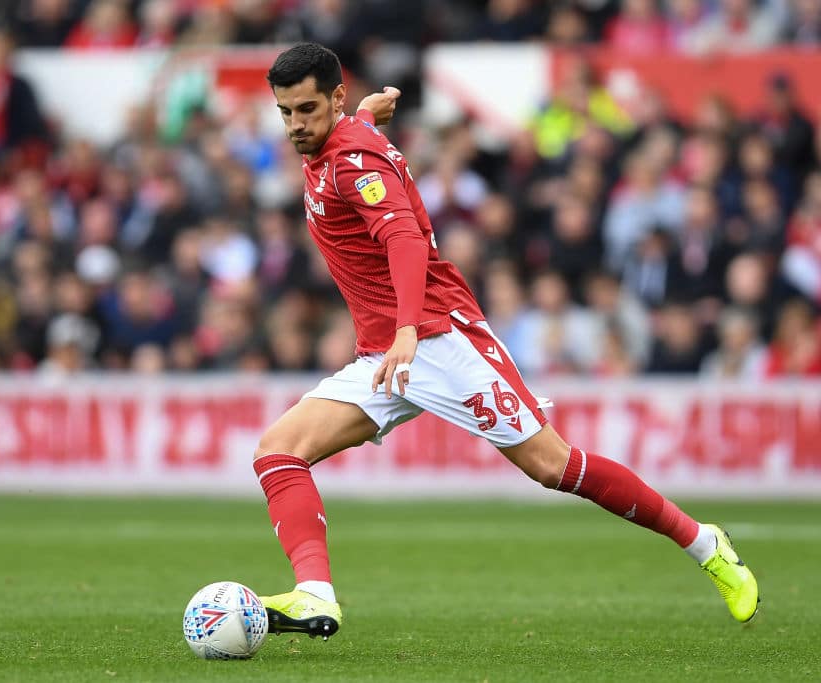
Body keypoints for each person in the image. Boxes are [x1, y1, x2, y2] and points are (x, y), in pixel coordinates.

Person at [253, 43, 758, 640]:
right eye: (286, 112)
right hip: (387, 353)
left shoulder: (352, 161)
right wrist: (361, 114)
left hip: (439, 338)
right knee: (278, 451)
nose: (295, 126)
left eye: (307, 109)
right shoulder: (344, 138)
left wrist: (410, 328)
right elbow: (351, 138)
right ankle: (316, 595)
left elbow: (406, 243)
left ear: (333, 97)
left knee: (553, 466)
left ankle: (706, 544)